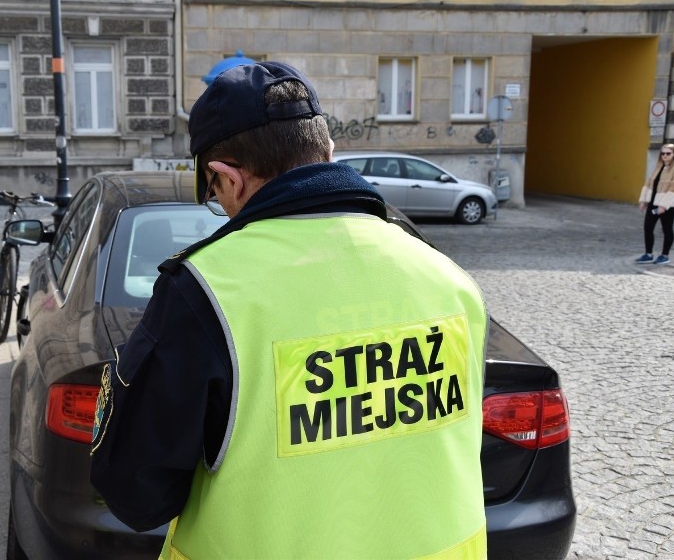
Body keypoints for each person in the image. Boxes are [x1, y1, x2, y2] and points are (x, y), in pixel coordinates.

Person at [90, 61, 489, 559]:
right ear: (328, 151)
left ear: (226, 178)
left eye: (215, 196)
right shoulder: (447, 279)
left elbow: (136, 492)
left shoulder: (206, 291)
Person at [636, 143, 674, 265]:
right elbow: (649, 184)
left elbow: (673, 188)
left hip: (668, 205)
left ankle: (665, 255)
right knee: (648, 227)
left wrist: (663, 205)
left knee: (667, 229)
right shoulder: (658, 166)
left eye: (668, 153)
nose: (664, 156)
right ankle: (648, 254)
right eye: (662, 153)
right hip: (653, 203)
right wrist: (644, 200)